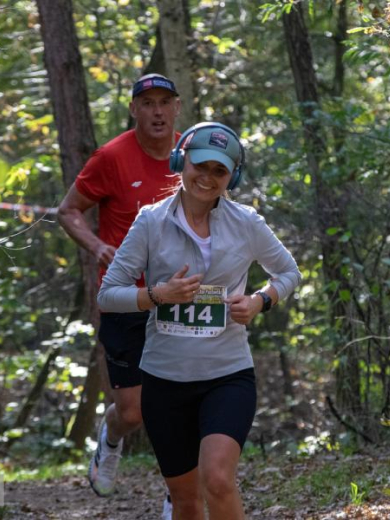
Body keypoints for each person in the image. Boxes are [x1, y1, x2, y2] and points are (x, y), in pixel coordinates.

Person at [97, 122, 301, 519]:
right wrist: (157, 295)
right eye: (200, 166)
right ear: (181, 161)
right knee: (186, 501)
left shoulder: (247, 223)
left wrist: (261, 300)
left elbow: (289, 273)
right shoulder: (151, 222)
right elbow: (108, 294)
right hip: (164, 379)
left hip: (227, 374)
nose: (207, 178)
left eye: (219, 171)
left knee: (219, 479)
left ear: (232, 177)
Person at [57, 73, 181, 514]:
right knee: (134, 411)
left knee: (177, 400)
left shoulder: (191, 156)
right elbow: (68, 210)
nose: (158, 112)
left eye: (165, 102)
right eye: (148, 104)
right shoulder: (110, 157)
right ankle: (109, 440)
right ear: (134, 110)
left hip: (179, 298)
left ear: (177, 108)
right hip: (126, 298)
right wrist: (97, 246)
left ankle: (176, 499)